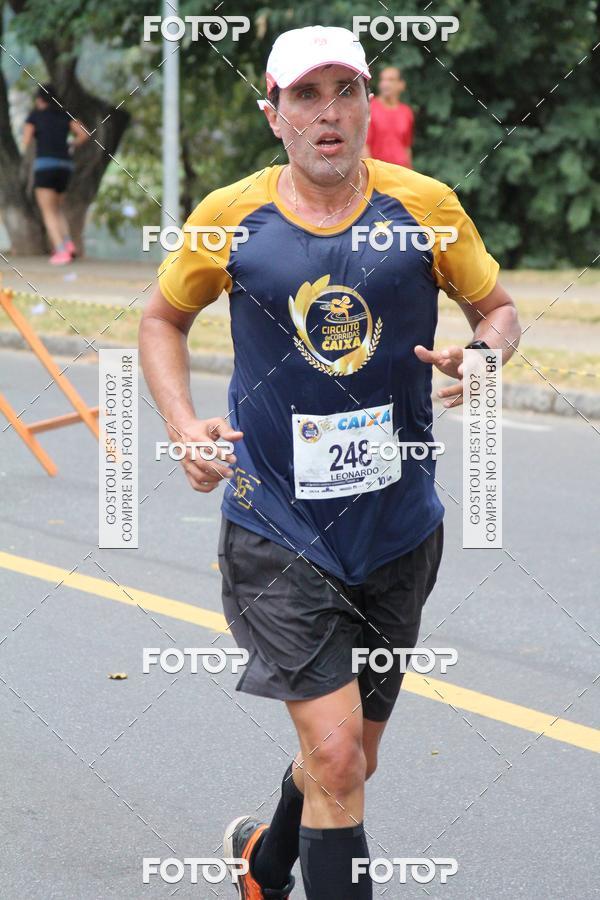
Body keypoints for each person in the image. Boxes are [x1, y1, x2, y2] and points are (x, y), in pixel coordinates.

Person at [139, 24, 521, 900]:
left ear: (366, 105)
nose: (328, 113)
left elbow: (497, 310)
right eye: (304, 96)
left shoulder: (424, 205)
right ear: (273, 114)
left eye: (344, 91)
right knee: (338, 757)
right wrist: (182, 426)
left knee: (352, 761)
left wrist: (486, 353)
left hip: (396, 529)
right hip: (277, 525)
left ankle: (262, 863)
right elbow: (161, 320)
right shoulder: (229, 218)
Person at [22, 83, 88, 265]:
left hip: (45, 166)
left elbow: (26, 140)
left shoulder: (34, 116)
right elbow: (83, 134)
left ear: (39, 100)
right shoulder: (64, 115)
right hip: (65, 166)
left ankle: (60, 251)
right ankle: (68, 245)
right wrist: (71, 144)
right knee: (58, 209)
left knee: (48, 211)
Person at [363, 66, 414, 168]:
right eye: (383, 80)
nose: (385, 84)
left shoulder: (406, 112)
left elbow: (407, 148)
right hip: (380, 174)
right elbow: (364, 147)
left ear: (401, 85)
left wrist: (410, 175)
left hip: (401, 174)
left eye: (391, 80)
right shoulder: (369, 108)